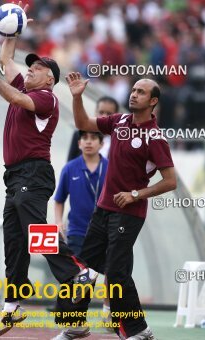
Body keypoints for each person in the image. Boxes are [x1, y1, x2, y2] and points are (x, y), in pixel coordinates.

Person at [0, 3, 93, 338]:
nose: (29, 70)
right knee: (14, 240)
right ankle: (12, 307)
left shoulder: (46, 99)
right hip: (15, 176)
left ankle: (76, 272)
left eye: (37, 68)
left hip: (33, 173)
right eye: (30, 67)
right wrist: (13, 31)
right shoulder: (27, 86)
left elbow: (12, 96)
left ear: (49, 78)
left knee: (36, 233)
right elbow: (4, 60)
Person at [52, 74, 177, 340]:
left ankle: (140, 330)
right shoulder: (119, 121)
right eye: (133, 89)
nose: (133, 94)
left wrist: (136, 194)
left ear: (153, 101)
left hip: (129, 213)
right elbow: (83, 122)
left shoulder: (155, 137)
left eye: (141, 92)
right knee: (83, 268)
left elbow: (170, 181)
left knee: (117, 273)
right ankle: (75, 325)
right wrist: (76, 97)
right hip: (103, 210)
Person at [55, 130, 108, 255]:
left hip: (104, 232)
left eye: (93, 138)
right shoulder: (69, 168)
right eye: (85, 138)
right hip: (76, 231)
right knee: (79, 271)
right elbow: (59, 199)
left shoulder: (110, 168)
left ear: (101, 144)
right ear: (79, 143)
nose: (88, 141)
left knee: (103, 272)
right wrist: (58, 222)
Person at [67, 96, 118, 161]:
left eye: (109, 114)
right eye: (101, 112)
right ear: (95, 112)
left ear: (116, 116)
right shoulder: (79, 134)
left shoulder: (121, 139)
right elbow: (70, 163)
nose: (104, 116)